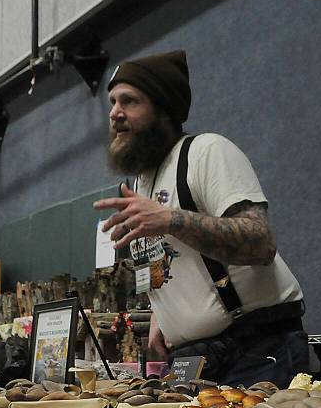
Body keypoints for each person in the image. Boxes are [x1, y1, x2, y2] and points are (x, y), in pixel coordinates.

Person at [95, 50, 308, 387]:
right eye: (112, 102)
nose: (115, 113)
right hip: (192, 357)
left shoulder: (207, 152)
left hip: (255, 347)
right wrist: (162, 317)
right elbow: (167, 261)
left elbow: (260, 241)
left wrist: (172, 219)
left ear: (163, 109)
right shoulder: (142, 182)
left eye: (129, 101)